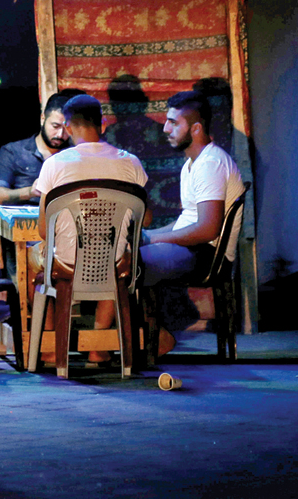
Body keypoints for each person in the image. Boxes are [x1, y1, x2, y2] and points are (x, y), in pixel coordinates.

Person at [32, 94, 151, 364]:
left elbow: (42, 230)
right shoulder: (130, 162)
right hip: (113, 267)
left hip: (66, 267)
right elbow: (146, 219)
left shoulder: (54, 164)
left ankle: (50, 346)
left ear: (68, 126)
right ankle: (98, 345)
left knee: (33, 259)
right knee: (120, 252)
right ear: (103, 125)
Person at [140, 89, 245, 353]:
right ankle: (142, 336)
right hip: (194, 248)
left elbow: (207, 229)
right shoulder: (192, 163)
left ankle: (154, 337)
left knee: (130, 264)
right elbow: (185, 222)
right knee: (127, 253)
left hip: (207, 255)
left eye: (174, 123)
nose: (165, 128)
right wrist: (146, 235)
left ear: (196, 128)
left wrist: (153, 238)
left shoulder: (211, 163)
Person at [0, 91, 75, 209]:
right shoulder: (13, 151)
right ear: (42, 119)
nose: (60, 134)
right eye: (55, 126)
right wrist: (30, 192)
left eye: (67, 128)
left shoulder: (73, 155)